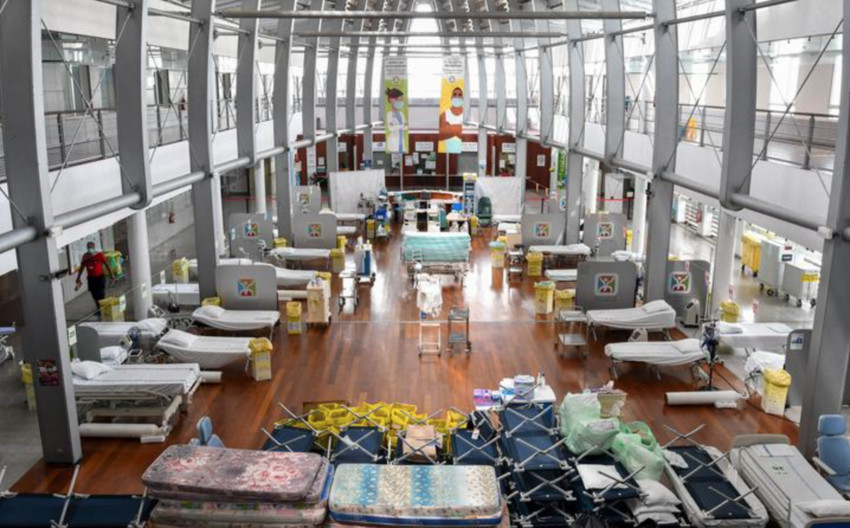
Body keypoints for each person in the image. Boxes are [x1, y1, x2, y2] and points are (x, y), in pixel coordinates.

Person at [76, 241, 113, 317]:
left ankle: (102, 309)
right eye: (88, 247)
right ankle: (98, 308)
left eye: (91, 247)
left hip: (100, 277)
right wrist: (78, 277)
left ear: (94, 247)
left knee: (101, 294)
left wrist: (111, 274)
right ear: (87, 248)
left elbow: (107, 264)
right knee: (94, 294)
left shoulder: (99, 255)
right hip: (91, 279)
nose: (90, 249)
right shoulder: (85, 256)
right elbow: (82, 267)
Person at [438, 86, 464, 153]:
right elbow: (441, 134)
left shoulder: (467, 114)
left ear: (463, 98)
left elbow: (467, 135)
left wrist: (449, 128)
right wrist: (459, 128)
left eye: (460, 95)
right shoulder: (444, 114)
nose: (457, 97)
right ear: (451, 97)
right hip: (447, 152)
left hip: (464, 150)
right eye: (455, 94)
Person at [385, 88, 407, 153]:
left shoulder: (401, 114)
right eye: (400, 100)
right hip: (393, 142)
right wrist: (401, 126)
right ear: (393, 100)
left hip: (401, 142)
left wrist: (398, 126)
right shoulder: (389, 114)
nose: (402, 102)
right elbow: (390, 128)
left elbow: (406, 127)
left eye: (402, 100)